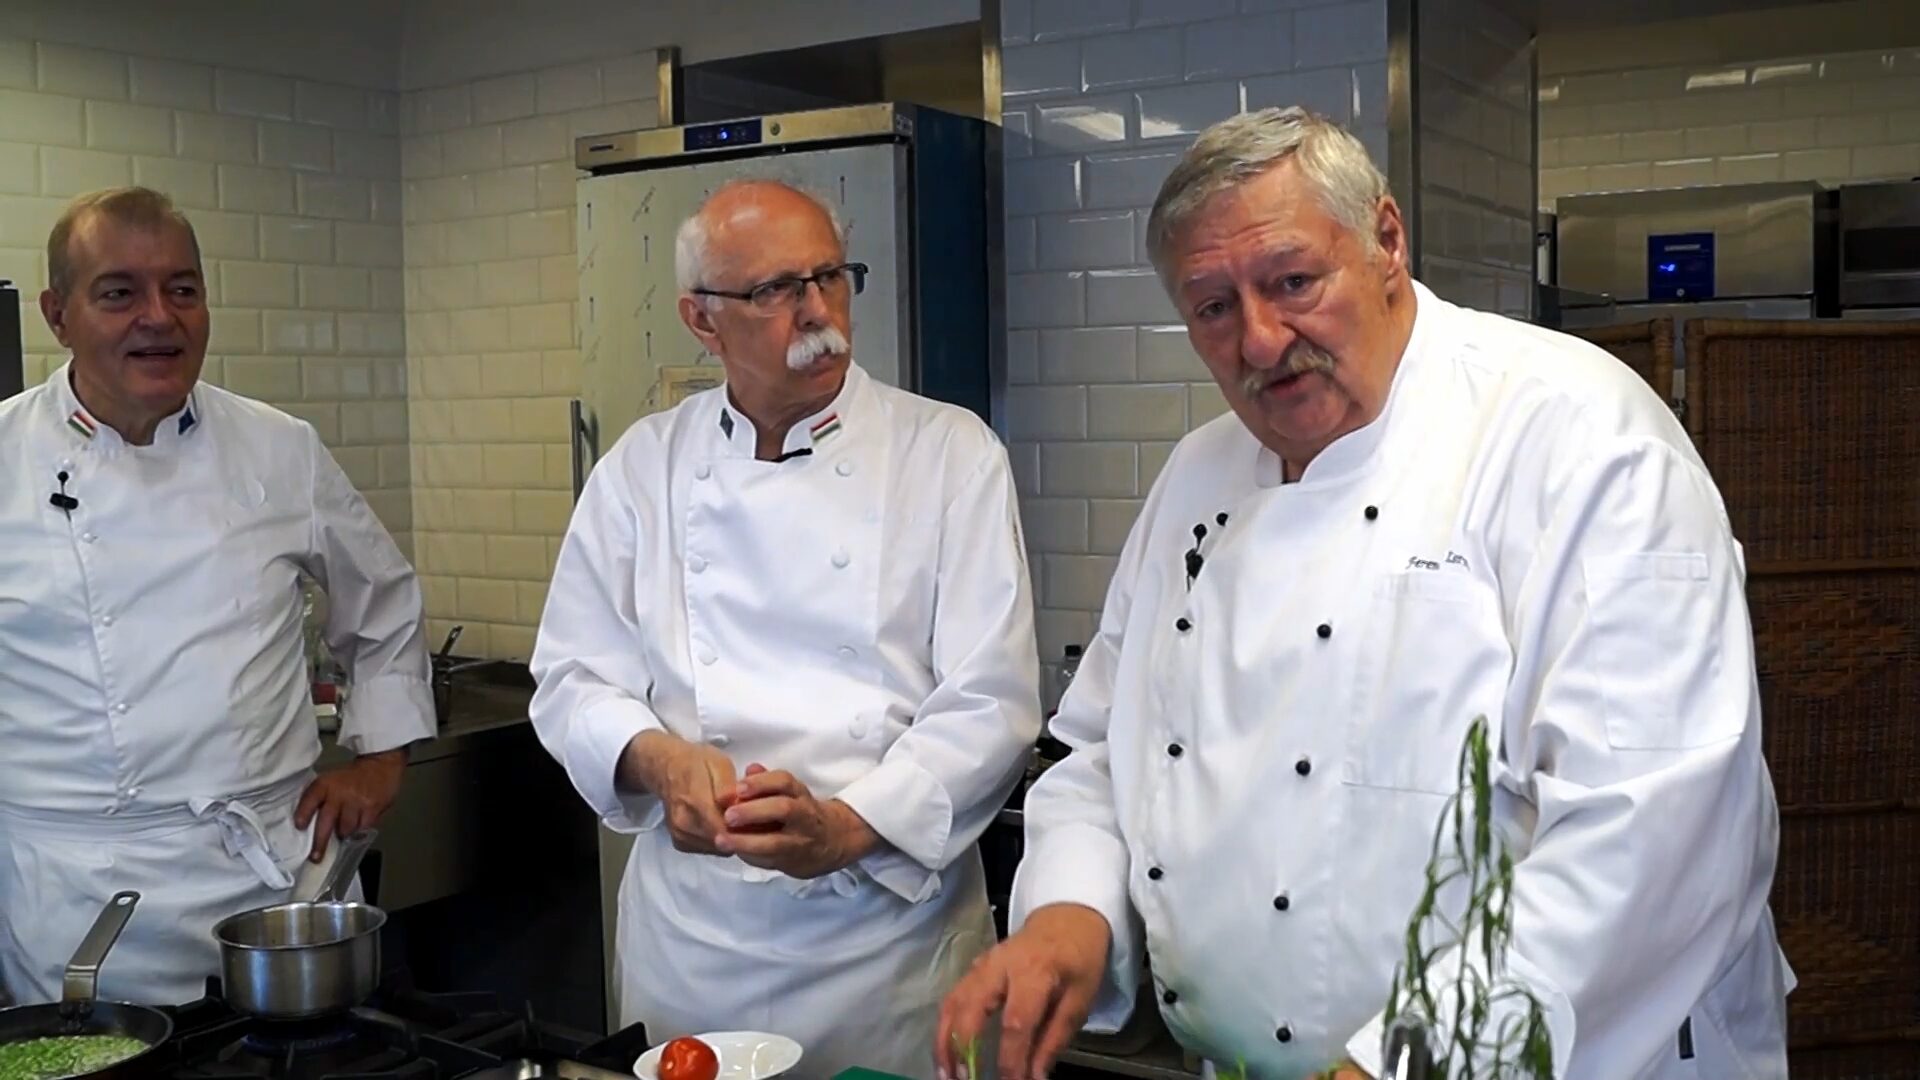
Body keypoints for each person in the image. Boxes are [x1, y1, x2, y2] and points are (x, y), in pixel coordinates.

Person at [937, 107, 1790, 1080]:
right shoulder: (1198, 476)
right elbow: (1100, 748)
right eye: (1213, 308)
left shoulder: (1583, 441)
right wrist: (1066, 917)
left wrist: (1401, 1063)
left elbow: (1653, 834)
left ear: (1387, 240)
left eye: (1292, 281)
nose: (1261, 340)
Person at [529, 179, 1041, 1079]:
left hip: (884, 949)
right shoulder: (644, 467)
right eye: (776, 289)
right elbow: (571, 678)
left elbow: (992, 703)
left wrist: (846, 828)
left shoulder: (949, 454)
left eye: (830, 277)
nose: (817, 313)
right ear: (701, 319)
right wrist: (658, 760)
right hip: (693, 949)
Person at [0, 187, 434, 1005]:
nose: (158, 318)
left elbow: (383, 601)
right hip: (76, 908)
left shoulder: (279, 447)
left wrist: (381, 759)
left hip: (275, 887)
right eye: (119, 293)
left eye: (183, 289)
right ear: (58, 315)